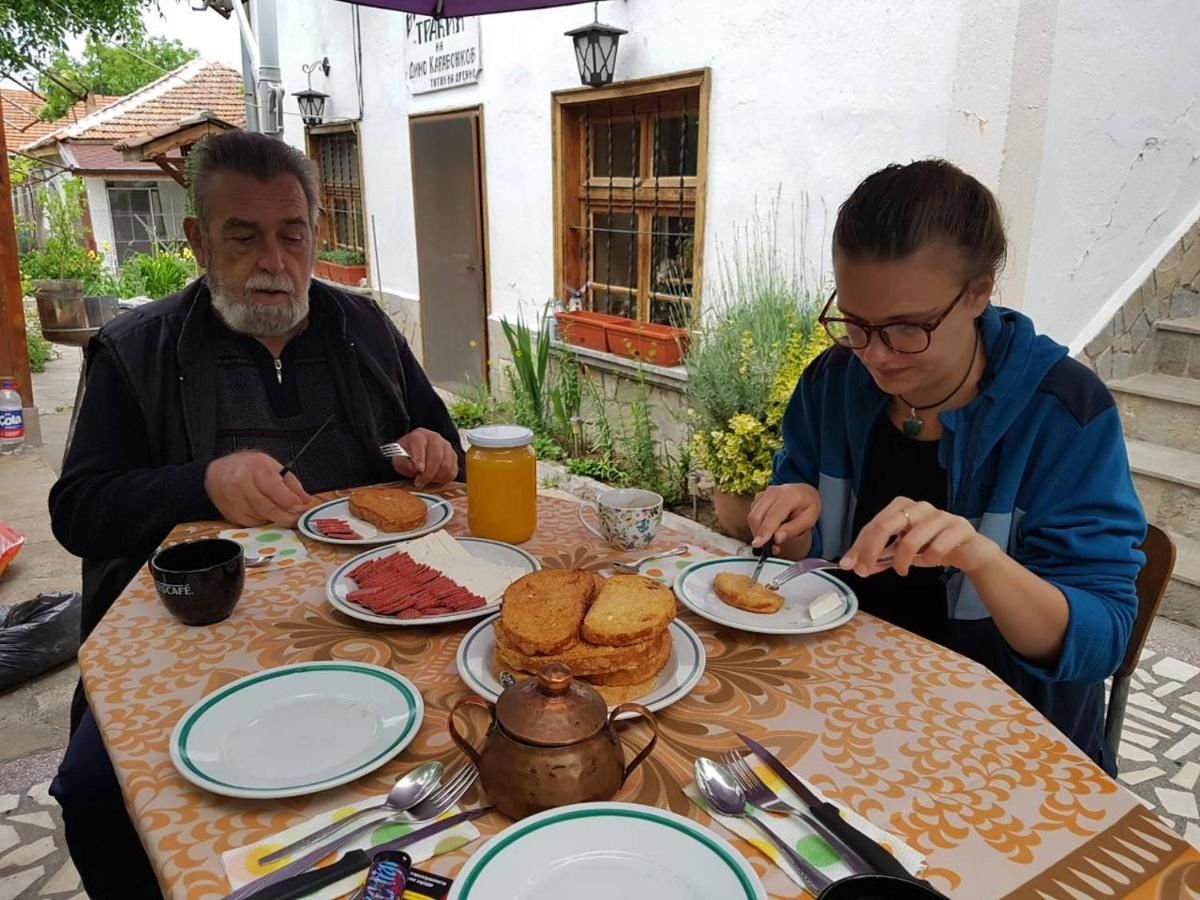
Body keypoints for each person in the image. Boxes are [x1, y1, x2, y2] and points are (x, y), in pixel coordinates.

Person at [48, 130, 463, 899]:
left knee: (456, 755)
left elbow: (446, 451)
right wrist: (198, 482)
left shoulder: (364, 328)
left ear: (314, 235)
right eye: (244, 237)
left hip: (376, 623)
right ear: (199, 241)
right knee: (97, 797)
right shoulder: (136, 349)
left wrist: (431, 448)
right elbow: (77, 510)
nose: (273, 262)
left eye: (291, 234)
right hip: (195, 637)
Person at [749, 159, 1145, 775]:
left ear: (979, 293)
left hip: (1004, 743)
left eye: (908, 328)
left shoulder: (1065, 415)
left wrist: (981, 559)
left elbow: (1100, 641)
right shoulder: (832, 382)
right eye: (855, 323)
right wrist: (794, 513)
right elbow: (803, 535)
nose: (875, 355)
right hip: (840, 706)